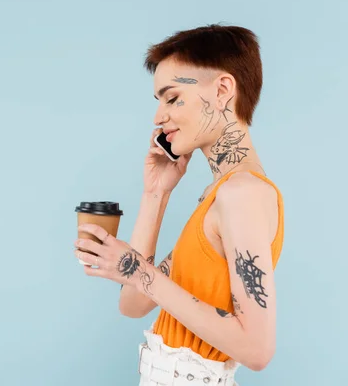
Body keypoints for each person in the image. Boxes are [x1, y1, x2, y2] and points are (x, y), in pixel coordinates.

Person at [73, 24, 284, 385]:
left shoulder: (242, 194)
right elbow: (133, 304)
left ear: (222, 90)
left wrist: (135, 270)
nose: (158, 117)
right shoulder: (217, 196)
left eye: (172, 98)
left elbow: (257, 349)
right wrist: (156, 194)